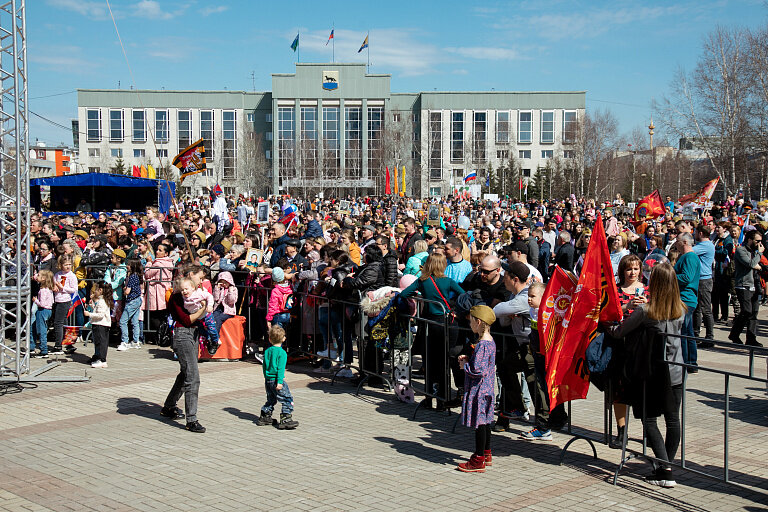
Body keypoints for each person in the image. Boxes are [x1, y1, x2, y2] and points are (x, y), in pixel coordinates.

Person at [607, 263, 686, 488]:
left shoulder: (647, 311)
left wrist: (606, 324)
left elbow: (619, 331)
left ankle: (666, 469)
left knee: (648, 419)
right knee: (673, 419)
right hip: (677, 369)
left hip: (654, 372)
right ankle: (666, 466)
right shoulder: (681, 309)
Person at [400, 253, 465, 411]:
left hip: (429, 324)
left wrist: (421, 296)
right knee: (443, 362)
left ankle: (429, 398)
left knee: (429, 361)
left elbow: (404, 294)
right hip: (445, 323)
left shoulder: (422, 281)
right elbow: (463, 294)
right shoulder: (448, 281)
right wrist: (454, 308)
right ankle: (442, 400)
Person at [162, 266, 208, 433]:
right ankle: (192, 419)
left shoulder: (196, 294)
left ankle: (168, 406)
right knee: (192, 377)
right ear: (190, 276)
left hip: (194, 334)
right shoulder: (177, 297)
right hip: (183, 334)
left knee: (185, 373)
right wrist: (203, 307)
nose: (201, 281)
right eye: (199, 278)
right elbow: (187, 319)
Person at [456, 305, 497, 473]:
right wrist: (470, 359)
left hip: (479, 390)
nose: (470, 325)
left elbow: (478, 370)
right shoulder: (489, 341)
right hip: (486, 389)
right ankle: (486, 453)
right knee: (485, 422)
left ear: (479, 322)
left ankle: (478, 459)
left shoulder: (482, 345)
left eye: (472, 321)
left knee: (480, 424)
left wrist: (465, 365)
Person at [256, 325, 299, 430]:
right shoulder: (282, 353)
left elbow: (264, 365)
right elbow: (280, 369)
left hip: (268, 379)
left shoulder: (267, 351)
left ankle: (265, 415)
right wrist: (279, 382)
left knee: (271, 399)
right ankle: (286, 418)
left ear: (270, 339)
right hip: (276, 380)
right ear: (284, 338)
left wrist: (266, 377)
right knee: (286, 398)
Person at [729, 229, 765, 347]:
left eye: (761, 241)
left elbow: (759, 264)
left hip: (755, 284)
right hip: (744, 285)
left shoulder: (755, 252)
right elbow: (750, 264)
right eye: (757, 241)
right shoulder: (741, 251)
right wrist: (759, 254)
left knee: (753, 313)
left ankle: (751, 338)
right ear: (749, 240)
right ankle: (734, 333)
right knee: (747, 311)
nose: (759, 244)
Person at [673, 233, 700, 370]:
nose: (675, 243)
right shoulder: (687, 257)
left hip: (685, 299)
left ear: (684, 242)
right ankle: (690, 361)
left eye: (677, 241)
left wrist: (669, 274)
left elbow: (686, 277)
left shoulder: (690, 257)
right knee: (687, 331)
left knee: (683, 331)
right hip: (684, 299)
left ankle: (686, 361)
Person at [179, 276, 221, 355]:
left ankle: (215, 341)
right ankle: (208, 340)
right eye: (182, 290)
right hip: (197, 317)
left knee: (212, 329)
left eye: (186, 289)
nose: (184, 291)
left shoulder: (198, 293)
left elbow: (209, 296)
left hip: (206, 314)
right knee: (202, 331)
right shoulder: (183, 297)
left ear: (192, 288)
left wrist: (210, 305)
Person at [692, 225, 715, 345]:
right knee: (696, 308)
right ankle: (696, 334)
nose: (694, 234)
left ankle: (710, 337)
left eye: (695, 232)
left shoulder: (706, 246)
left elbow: (688, 251)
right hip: (699, 279)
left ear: (700, 233)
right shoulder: (702, 245)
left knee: (706, 309)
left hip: (704, 280)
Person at [84, 282, 113, 368]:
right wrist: (92, 305)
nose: (94, 293)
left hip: (101, 324)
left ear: (100, 290)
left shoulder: (102, 301)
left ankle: (102, 360)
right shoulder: (102, 301)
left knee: (101, 343)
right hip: (98, 324)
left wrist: (89, 314)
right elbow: (98, 311)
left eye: (95, 291)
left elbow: (100, 315)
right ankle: (98, 357)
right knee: (98, 342)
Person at [52, 254, 77, 355]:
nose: (68, 266)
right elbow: (53, 282)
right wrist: (54, 286)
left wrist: (63, 288)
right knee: (64, 323)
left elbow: (74, 289)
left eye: (69, 264)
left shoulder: (71, 276)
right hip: (57, 299)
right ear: (61, 265)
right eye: (65, 264)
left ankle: (58, 345)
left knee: (58, 323)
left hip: (65, 300)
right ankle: (68, 344)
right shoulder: (57, 274)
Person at [117, 259, 144, 351]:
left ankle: (125, 341)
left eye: (128, 265)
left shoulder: (132, 276)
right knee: (135, 322)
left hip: (132, 301)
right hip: (137, 299)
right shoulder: (137, 276)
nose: (126, 266)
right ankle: (136, 341)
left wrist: (124, 291)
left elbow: (127, 291)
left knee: (123, 321)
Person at [32, 269, 55, 358]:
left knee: (42, 331)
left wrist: (35, 300)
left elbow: (42, 303)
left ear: (44, 278)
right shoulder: (49, 290)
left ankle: (44, 350)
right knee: (43, 330)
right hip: (49, 310)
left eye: (38, 275)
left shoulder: (43, 291)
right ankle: (43, 349)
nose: (36, 277)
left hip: (43, 310)